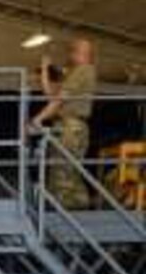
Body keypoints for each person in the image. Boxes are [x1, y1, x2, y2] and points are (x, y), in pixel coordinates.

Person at [31, 35, 98, 209]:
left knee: (63, 173)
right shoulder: (75, 73)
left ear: (83, 53)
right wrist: (45, 69)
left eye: (74, 50)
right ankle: (76, 209)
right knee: (65, 171)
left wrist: (38, 119)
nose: (70, 54)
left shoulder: (84, 70)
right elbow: (51, 94)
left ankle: (68, 213)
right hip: (67, 125)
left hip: (71, 126)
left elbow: (60, 98)